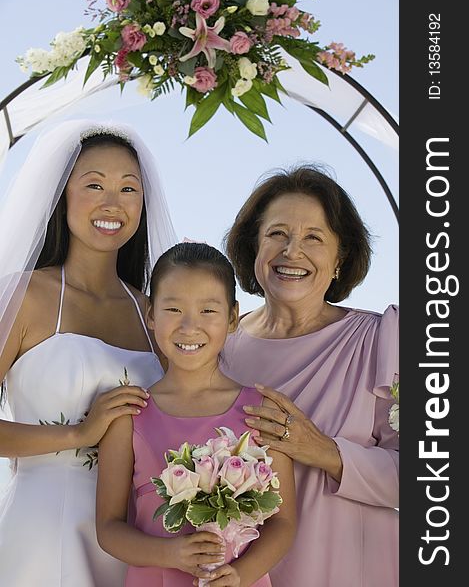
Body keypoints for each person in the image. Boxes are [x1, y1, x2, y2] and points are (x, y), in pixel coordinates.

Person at [0, 119, 177, 586]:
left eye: (128, 188)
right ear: (61, 197)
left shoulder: (153, 311)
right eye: (93, 184)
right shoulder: (23, 296)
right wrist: (82, 431)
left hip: (136, 534)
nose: (112, 203)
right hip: (46, 527)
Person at [221, 164, 399, 587]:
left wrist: (323, 450)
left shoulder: (383, 340)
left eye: (314, 238)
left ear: (340, 258)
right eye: (277, 234)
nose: (292, 251)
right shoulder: (218, 347)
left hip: (351, 569)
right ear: (254, 248)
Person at [96, 242, 297, 586]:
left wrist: (240, 574)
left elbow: (283, 522)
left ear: (233, 317)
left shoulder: (261, 412)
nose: (190, 326)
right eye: (173, 309)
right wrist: (171, 554)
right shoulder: (129, 415)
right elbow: (108, 528)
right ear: (151, 314)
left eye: (208, 310)